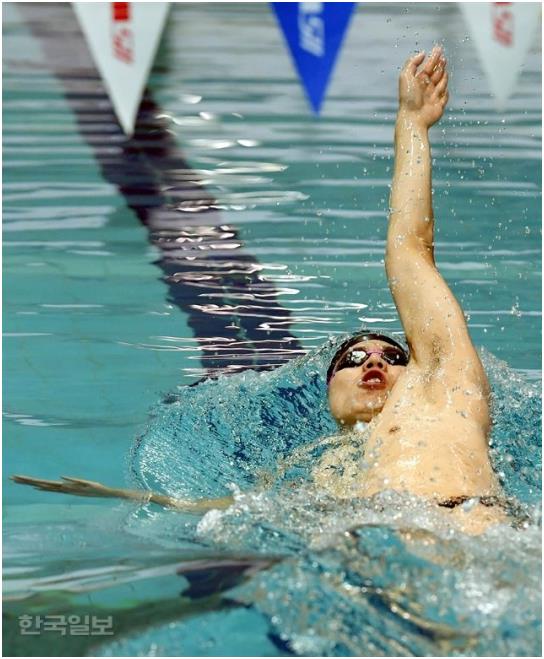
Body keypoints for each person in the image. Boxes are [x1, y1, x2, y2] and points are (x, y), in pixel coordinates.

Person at [12, 48, 508, 535]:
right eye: (351, 361)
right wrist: (126, 498)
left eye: (391, 356)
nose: (372, 363)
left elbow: (410, 251)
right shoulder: (330, 475)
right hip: (397, 563)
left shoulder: (445, 387)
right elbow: (242, 511)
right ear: (328, 395)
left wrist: (412, 124)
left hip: (478, 530)